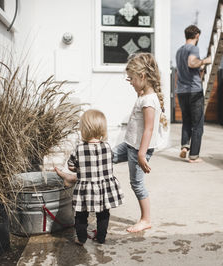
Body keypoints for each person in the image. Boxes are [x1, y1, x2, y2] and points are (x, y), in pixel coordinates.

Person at [112, 52, 166, 233]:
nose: (131, 83)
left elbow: (149, 129)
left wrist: (142, 153)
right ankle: (77, 175)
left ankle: (146, 219)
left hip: (137, 150)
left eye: (132, 79)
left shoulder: (149, 101)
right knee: (107, 156)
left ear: (142, 77)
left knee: (137, 183)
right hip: (129, 144)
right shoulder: (144, 96)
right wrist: (138, 88)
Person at [56, 109, 124, 245]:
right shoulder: (107, 146)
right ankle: (101, 238)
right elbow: (110, 161)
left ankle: (81, 239)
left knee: (81, 215)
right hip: (104, 188)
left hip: (85, 189)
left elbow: (71, 165)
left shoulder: (79, 148)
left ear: (84, 129)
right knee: (103, 214)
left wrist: (77, 168)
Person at [175, 25, 211, 163]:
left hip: (181, 91)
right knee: (197, 124)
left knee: (186, 121)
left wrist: (199, 66)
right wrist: (205, 61)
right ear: (197, 35)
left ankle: (185, 146)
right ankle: (194, 156)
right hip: (194, 90)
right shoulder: (193, 48)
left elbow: (188, 66)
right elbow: (191, 63)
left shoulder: (179, 51)